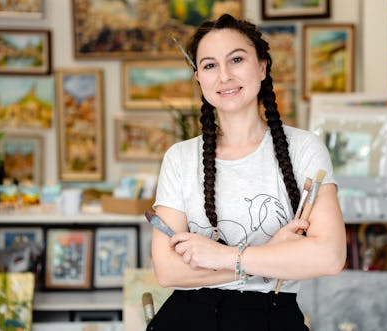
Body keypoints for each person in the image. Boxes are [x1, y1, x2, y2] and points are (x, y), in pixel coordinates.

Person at [147, 13, 346, 331]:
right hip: (186, 319)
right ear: (199, 77)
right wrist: (265, 256)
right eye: (210, 65)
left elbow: (330, 256)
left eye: (236, 59)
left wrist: (223, 257)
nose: (224, 76)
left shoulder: (304, 149)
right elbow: (168, 272)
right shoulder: (180, 158)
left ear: (262, 66)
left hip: (273, 317)